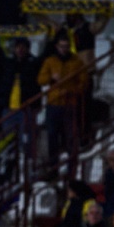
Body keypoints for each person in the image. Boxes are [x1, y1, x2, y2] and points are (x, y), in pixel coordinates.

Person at [37, 33, 89, 163]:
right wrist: (51, 77)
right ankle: (53, 163)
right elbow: (41, 79)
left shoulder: (77, 62)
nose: (64, 49)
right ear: (57, 47)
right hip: (53, 103)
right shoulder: (50, 61)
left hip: (70, 103)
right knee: (52, 135)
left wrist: (71, 90)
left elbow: (84, 83)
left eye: (66, 46)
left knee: (70, 136)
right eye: (62, 46)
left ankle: (71, 163)